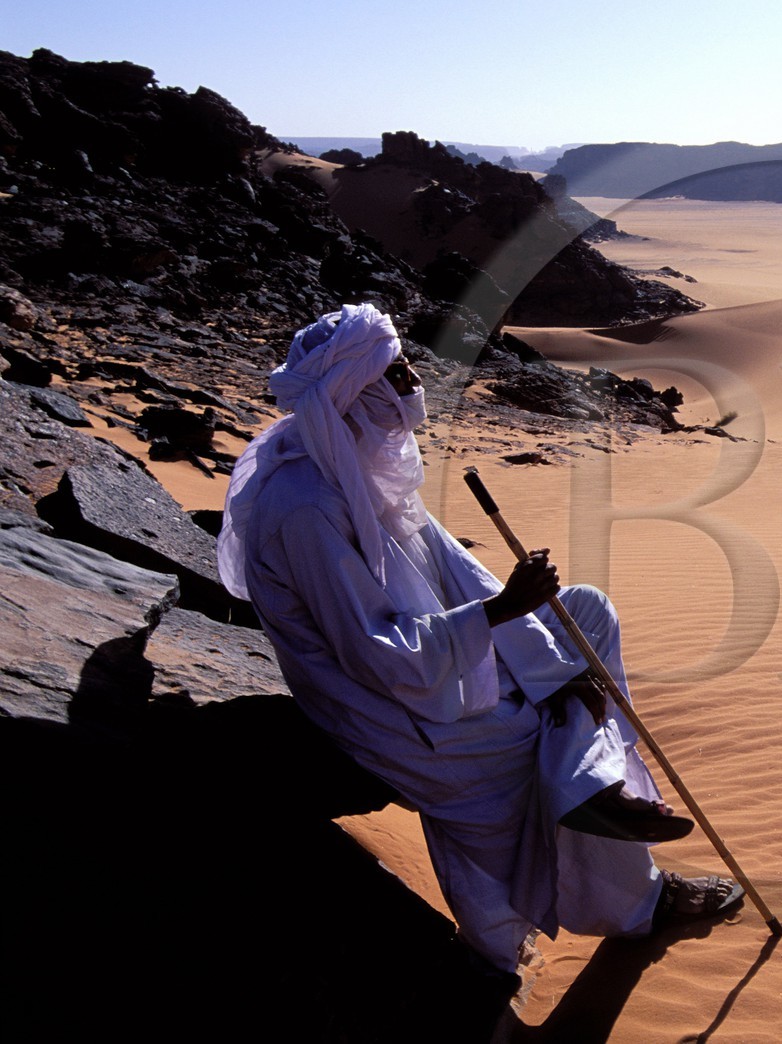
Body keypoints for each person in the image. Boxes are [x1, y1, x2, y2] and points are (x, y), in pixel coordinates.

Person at [216, 303, 742, 976]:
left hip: (442, 653)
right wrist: (500, 617)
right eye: (395, 370)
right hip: (386, 700)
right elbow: (373, 652)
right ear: (355, 391)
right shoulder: (308, 505)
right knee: (527, 735)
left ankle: (586, 783)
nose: (412, 379)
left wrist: (527, 624)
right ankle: (629, 894)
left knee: (587, 616)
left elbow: (456, 571)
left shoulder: (359, 455)